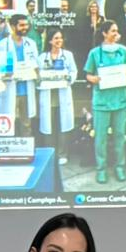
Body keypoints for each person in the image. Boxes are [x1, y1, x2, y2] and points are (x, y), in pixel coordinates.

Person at [83, 20, 126, 184]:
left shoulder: (123, 52)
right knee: (101, 138)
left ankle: (120, 168)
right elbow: (87, 75)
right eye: (113, 31)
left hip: (120, 101)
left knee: (119, 136)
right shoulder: (95, 53)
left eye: (117, 31)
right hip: (102, 102)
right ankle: (101, 169)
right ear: (104, 33)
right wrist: (94, 78)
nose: (116, 34)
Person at [35, 28, 77, 167]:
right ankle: (50, 153)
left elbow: (74, 71)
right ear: (50, 41)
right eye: (56, 38)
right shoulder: (42, 57)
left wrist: (68, 78)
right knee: (49, 126)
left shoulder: (68, 55)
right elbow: (38, 75)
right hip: (48, 96)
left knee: (62, 125)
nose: (59, 41)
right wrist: (41, 78)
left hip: (62, 94)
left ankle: (62, 153)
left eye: (60, 38)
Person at [0, 14, 38, 135]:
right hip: (10, 89)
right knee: (7, 123)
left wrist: (36, 72)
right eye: (21, 25)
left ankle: (26, 151)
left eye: (26, 25)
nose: (25, 27)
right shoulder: (2, 45)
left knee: (26, 124)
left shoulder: (31, 44)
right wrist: (6, 73)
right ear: (12, 26)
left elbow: (36, 64)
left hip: (26, 90)